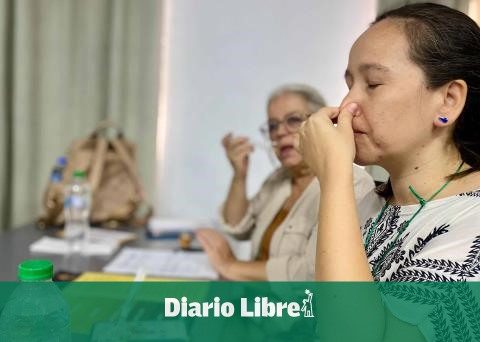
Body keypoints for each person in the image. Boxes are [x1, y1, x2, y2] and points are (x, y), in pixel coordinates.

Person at [297, 3, 480, 340]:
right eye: (350, 84)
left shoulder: (472, 226)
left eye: (374, 83)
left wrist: (335, 175)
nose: (347, 104)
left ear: (448, 101)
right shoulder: (369, 202)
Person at [196, 84, 376, 280]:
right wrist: (239, 175)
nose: (280, 132)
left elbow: (313, 272)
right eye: (273, 125)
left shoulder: (352, 184)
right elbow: (238, 227)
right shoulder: (279, 179)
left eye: (293, 120)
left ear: (320, 124)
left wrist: (231, 266)